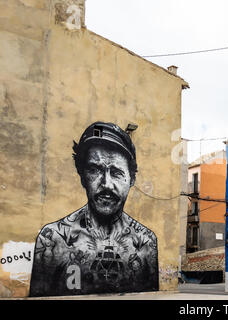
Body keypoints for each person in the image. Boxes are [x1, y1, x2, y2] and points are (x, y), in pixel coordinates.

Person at [29, 122, 159, 297]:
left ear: (132, 179)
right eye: (94, 170)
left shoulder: (145, 242)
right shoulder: (53, 239)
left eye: (116, 172)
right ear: (82, 176)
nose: (106, 184)